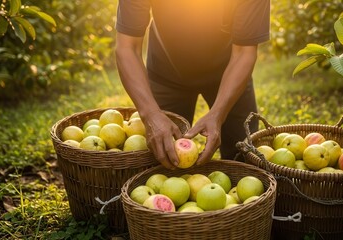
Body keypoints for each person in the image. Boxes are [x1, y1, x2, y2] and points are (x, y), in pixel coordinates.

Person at [115, 0, 270, 169]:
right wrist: (150, 114)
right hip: (166, 73)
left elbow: (244, 53)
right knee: (160, 161)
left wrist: (218, 114)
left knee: (245, 159)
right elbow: (127, 47)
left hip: (229, 72)